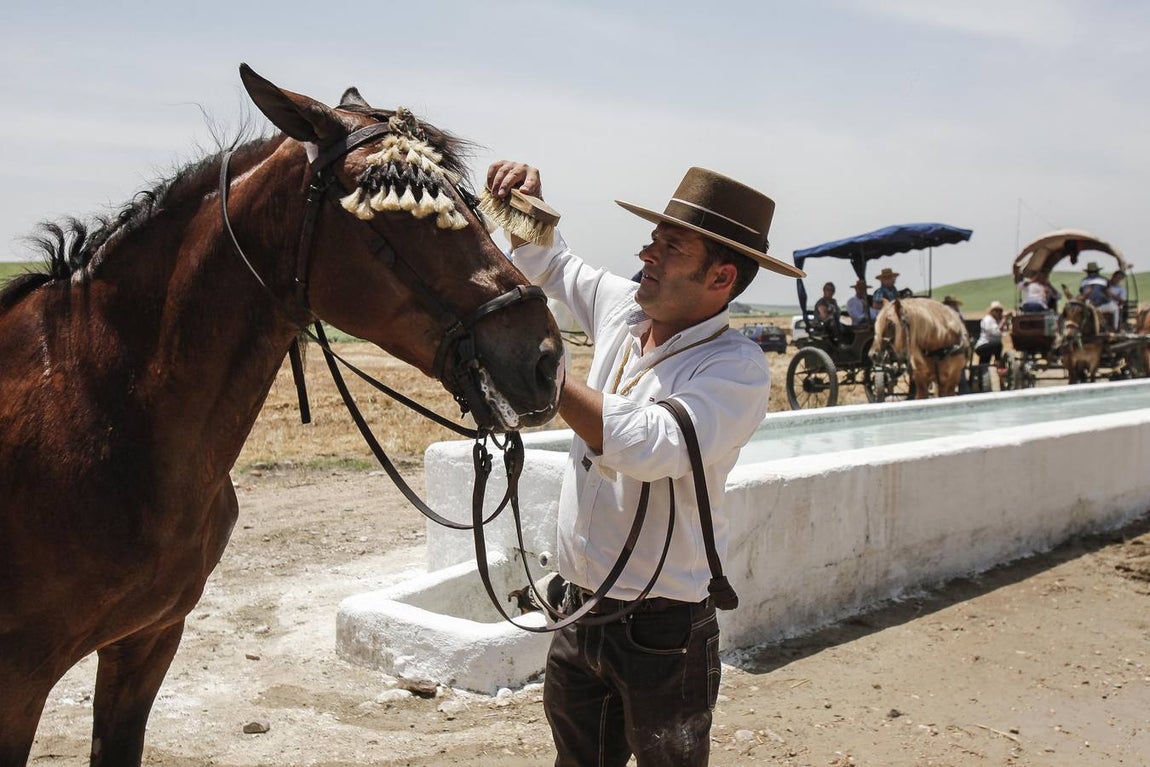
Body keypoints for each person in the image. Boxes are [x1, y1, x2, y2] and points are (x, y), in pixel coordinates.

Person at [487, 160, 799, 766]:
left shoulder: (735, 367)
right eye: (654, 238)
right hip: (577, 608)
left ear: (721, 276)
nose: (646, 252)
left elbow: (652, 445)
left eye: (670, 245)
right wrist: (527, 210)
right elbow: (554, 265)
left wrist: (539, 372)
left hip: (663, 633)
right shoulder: (626, 310)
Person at [975, 300, 1010, 366]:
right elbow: (996, 332)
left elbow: (1005, 332)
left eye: (1000, 311)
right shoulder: (988, 319)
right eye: (996, 311)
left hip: (990, 345)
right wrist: (1003, 321)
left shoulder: (996, 320)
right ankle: (998, 361)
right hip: (983, 345)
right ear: (992, 311)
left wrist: (1005, 321)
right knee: (998, 344)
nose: (999, 313)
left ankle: (980, 373)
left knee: (984, 364)